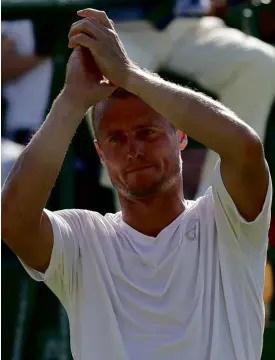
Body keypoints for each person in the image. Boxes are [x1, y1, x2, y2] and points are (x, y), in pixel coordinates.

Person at [1, 8, 272, 360]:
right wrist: (71, 100)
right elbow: (12, 221)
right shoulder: (84, 237)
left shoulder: (227, 224)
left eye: (147, 133)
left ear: (180, 137)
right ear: (99, 152)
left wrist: (130, 76)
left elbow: (246, 150)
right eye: (116, 139)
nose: (134, 150)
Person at [112, 0, 275, 198]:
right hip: (117, 26)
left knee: (261, 63)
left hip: (192, 25)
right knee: (112, 75)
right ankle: (139, 213)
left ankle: (218, 205)